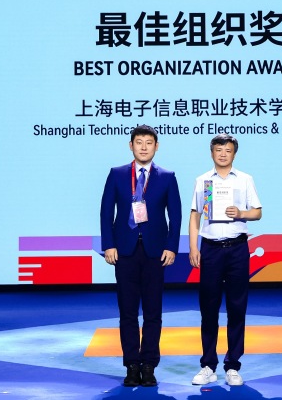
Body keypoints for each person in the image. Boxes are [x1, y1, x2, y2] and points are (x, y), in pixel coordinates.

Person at [100, 124, 182, 387]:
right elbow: (106, 212)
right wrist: (108, 244)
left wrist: (171, 247)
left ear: (156, 146)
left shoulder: (167, 176)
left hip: (155, 252)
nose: (144, 147)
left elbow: (176, 215)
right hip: (124, 251)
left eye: (149, 143)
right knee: (127, 312)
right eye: (139, 142)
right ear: (131, 146)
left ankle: (149, 365)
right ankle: (131, 365)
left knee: (153, 312)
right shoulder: (117, 174)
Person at [188, 134, 262, 387]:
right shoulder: (203, 180)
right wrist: (193, 247)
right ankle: (208, 365)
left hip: (237, 249)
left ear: (234, 154)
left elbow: (258, 212)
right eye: (218, 150)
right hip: (210, 249)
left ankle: (232, 366)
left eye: (227, 150)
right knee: (208, 309)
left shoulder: (245, 179)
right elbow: (195, 215)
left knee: (236, 308)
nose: (222, 154)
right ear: (212, 153)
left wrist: (241, 213)